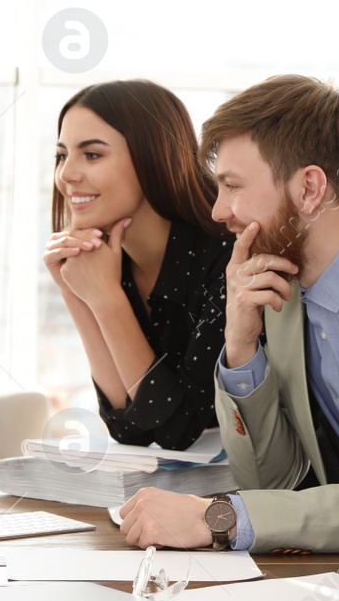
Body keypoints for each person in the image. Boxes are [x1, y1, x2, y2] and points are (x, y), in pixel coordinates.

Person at [119, 75, 339, 554]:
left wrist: (223, 517)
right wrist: (239, 349)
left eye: (232, 186)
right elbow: (276, 480)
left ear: (309, 188)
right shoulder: (280, 289)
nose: (217, 211)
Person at [45, 80, 233, 450]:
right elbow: (128, 427)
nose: (67, 175)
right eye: (62, 155)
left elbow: (179, 431)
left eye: (93, 155)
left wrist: (106, 300)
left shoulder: (226, 259)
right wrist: (74, 290)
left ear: (153, 158)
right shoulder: (110, 264)